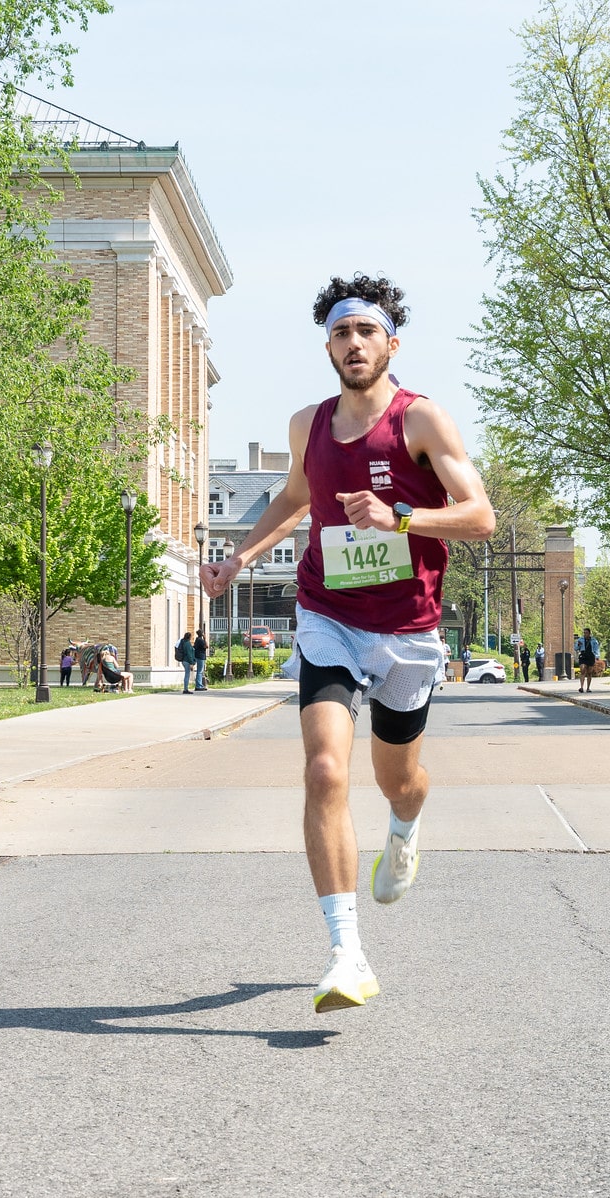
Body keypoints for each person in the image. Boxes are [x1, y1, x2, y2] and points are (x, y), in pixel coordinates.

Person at [201, 273, 495, 1015]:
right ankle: (346, 953)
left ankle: (405, 826)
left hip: (408, 630)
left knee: (400, 778)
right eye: (341, 332)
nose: (353, 343)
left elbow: (480, 515)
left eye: (366, 331)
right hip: (328, 613)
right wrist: (240, 556)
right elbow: (297, 497)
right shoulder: (308, 424)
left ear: (390, 343)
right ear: (327, 345)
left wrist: (400, 518)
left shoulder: (421, 421)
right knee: (326, 769)